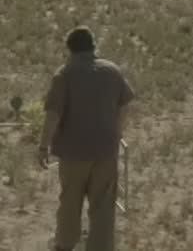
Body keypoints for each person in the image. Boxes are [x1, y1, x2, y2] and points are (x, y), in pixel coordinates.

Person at [39, 26, 134, 251]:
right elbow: (125, 104)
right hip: (105, 152)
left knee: (70, 203)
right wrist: (116, 133)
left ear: (70, 49)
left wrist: (43, 146)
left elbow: (53, 115)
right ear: (93, 46)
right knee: (103, 206)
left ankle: (65, 244)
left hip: (73, 154)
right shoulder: (112, 71)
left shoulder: (64, 74)